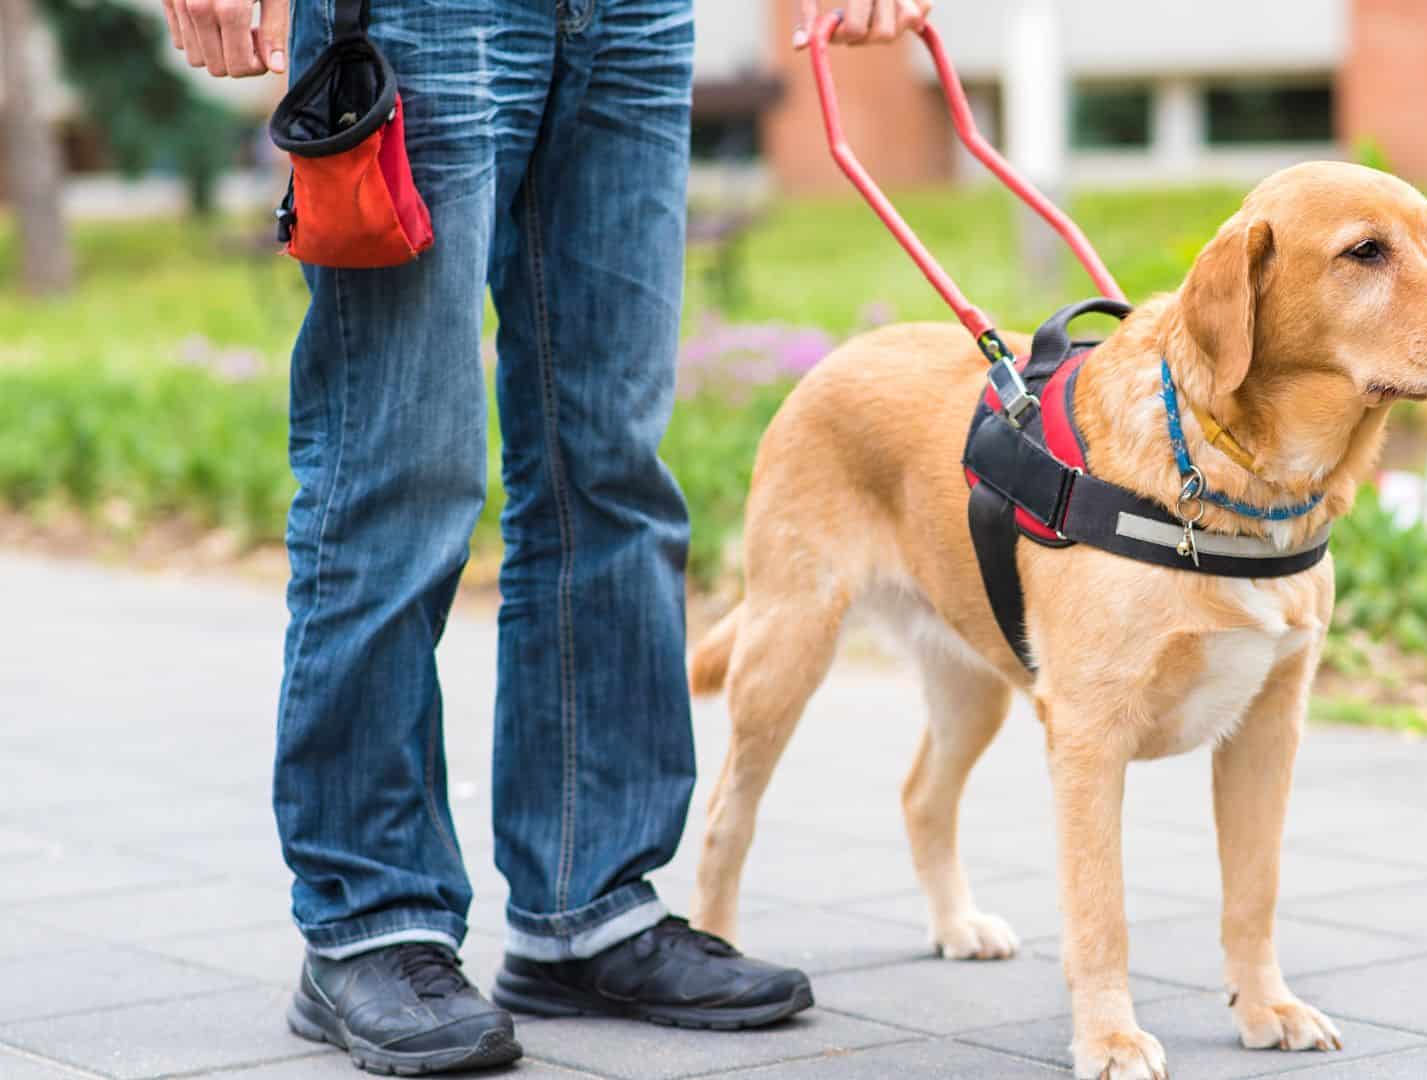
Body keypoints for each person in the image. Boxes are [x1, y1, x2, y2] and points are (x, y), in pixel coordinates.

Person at [167, 0, 928, 1071]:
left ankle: (590, 904)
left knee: (609, 468)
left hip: (632, 17)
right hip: (418, 18)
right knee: (398, 469)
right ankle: (368, 921)